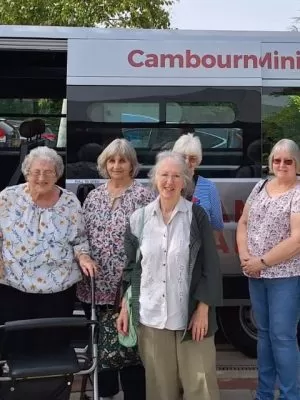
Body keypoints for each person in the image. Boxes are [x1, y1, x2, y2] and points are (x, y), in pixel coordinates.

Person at [117, 151, 223, 400]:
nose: (169, 181)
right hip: (151, 316)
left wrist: (203, 310)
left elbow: (211, 266)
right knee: (160, 388)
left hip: (191, 317)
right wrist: (125, 307)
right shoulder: (139, 219)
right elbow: (132, 268)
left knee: (201, 386)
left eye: (176, 176)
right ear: (155, 179)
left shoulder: (197, 217)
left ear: (185, 181)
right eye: (164, 175)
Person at [77, 139, 154, 400]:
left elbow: (150, 241)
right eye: (112, 160)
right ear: (104, 164)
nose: (117, 165)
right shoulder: (94, 196)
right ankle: (105, 394)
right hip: (96, 285)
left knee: (130, 345)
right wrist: (84, 257)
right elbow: (81, 235)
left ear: (132, 164)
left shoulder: (143, 196)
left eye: (123, 160)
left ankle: (135, 395)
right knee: (101, 344)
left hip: (129, 284)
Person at [0, 146, 96, 354]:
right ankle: (16, 386)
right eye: (36, 172)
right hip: (14, 286)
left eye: (48, 172)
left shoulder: (69, 201)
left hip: (58, 289)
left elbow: (79, 239)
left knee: (52, 345)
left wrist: (84, 257)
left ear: (58, 174)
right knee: (15, 345)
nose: (42, 177)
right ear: (27, 172)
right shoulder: (7, 198)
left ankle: (51, 386)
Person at [236, 138, 300, 400]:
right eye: (277, 160)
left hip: (284, 275)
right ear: (270, 163)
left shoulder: (298, 192)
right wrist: (245, 258)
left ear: (297, 164)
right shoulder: (260, 185)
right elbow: (243, 223)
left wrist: (262, 262)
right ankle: (263, 394)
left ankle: (290, 395)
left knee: (282, 337)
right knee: (263, 336)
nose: (281, 165)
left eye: (288, 161)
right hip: (256, 274)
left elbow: (297, 239)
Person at [173, 133, 224, 241]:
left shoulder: (209, 187)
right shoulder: (166, 185)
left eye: (192, 159)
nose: (187, 162)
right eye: (182, 157)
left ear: (198, 161)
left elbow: (217, 227)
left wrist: (207, 253)